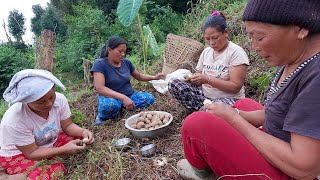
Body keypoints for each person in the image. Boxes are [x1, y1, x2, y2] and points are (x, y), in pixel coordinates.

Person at [177, 0, 320, 179]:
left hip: (290, 170)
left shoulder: (316, 76)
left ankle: (206, 173)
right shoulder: (293, 58)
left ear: (301, 29)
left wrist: (233, 119)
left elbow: (304, 169)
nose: (254, 46)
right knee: (243, 104)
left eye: (259, 38)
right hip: (280, 140)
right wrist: (235, 113)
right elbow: (275, 113)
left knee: (195, 124)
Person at [0, 69, 94, 180]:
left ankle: (55, 157)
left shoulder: (59, 100)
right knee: (54, 171)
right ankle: (7, 177)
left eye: (51, 97)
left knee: (80, 140)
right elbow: (32, 152)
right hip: (20, 154)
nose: (49, 103)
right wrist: (63, 150)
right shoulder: (15, 120)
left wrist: (83, 131)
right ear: (26, 101)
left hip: (47, 141)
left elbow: (68, 126)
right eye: (40, 102)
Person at [168, 10, 249, 111]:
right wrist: (192, 79)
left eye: (215, 38)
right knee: (174, 84)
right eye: (207, 39)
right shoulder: (206, 52)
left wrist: (207, 80)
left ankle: (205, 112)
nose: (211, 43)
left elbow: (235, 87)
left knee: (211, 110)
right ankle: (201, 110)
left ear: (226, 32)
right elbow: (199, 77)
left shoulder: (236, 52)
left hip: (229, 98)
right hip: (205, 96)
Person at [91, 36, 165, 125]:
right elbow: (100, 88)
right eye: (120, 51)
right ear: (109, 50)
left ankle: (122, 107)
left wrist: (155, 77)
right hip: (110, 98)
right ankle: (101, 116)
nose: (123, 54)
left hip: (129, 95)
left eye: (124, 52)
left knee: (149, 98)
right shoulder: (99, 64)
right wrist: (123, 98)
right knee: (110, 106)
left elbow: (139, 76)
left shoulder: (126, 62)